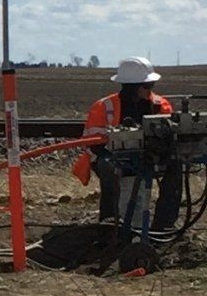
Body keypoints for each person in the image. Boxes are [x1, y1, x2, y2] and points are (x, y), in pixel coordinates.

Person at [73, 57, 181, 231]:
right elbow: (92, 144)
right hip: (111, 157)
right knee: (108, 167)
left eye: (151, 85)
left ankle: (164, 226)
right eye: (147, 86)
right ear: (132, 87)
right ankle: (109, 224)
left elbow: (171, 135)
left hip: (150, 157)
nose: (151, 90)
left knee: (175, 165)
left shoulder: (160, 105)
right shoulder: (104, 107)